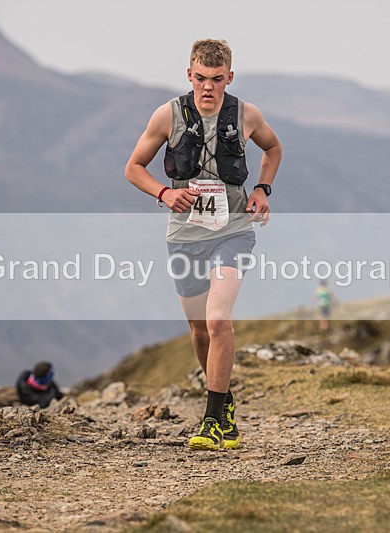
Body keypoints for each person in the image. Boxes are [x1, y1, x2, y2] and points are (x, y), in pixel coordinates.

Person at [125, 40, 282, 450]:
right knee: (198, 331)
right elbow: (133, 168)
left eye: (216, 79)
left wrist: (263, 189)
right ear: (189, 75)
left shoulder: (247, 114)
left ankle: (213, 420)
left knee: (218, 320)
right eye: (200, 78)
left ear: (229, 77)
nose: (208, 87)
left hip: (233, 229)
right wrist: (163, 193)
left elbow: (273, 147)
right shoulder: (167, 115)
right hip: (184, 235)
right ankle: (224, 400)